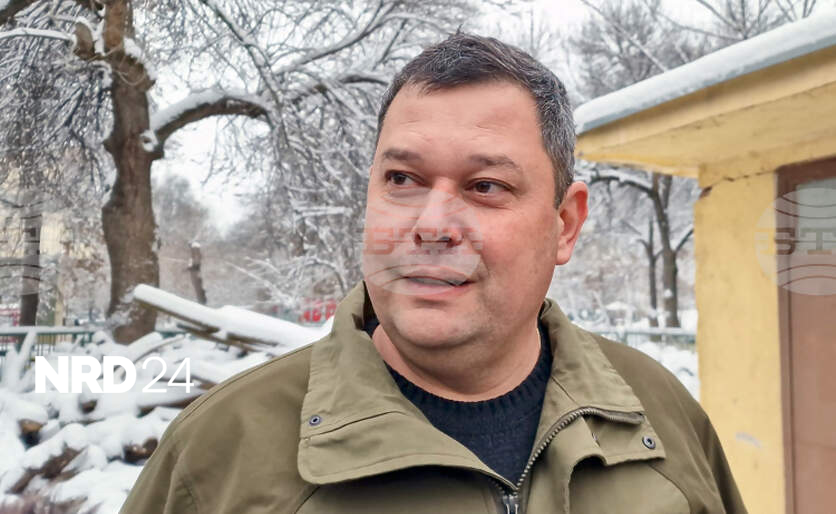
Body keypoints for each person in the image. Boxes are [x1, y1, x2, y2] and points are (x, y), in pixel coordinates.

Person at [119, 33, 746, 514]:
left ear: (565, 224)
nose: (432, 225)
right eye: (403, 179)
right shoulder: (220, 455)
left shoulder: (659, 416)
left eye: (485, 186)